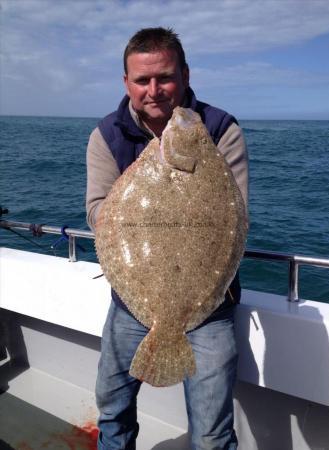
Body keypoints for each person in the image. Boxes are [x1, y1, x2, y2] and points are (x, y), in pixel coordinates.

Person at [86, 27, 248, 450]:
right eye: (142, 80)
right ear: (126, 83)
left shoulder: (219, 128)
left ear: (186, 75)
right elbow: (97, 211)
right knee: (112, 411)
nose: (154, 91)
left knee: (212, 433)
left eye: (165, 78)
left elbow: (234, 214)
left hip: (210, 307)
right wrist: (142, 188)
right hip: (130, 303)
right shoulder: (107, 134)